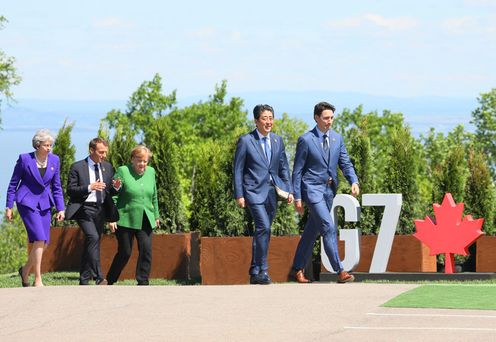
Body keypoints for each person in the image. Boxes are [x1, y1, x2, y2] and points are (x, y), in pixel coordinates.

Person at [291, 101, 360, 283]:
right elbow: (297, 171)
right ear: (316, 118)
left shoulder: (337, 138)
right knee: (328, 227)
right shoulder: (306, 140)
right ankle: (340, 271)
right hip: (312, 190)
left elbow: (345, 162)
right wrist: (298, 197)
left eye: (331, 118)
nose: (329, 121)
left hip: (329, 192)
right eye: (326, 118)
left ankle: (298, 269)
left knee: (311, 232)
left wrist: (353, 180)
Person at [234, 104, 294, 285]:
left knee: (264, 232)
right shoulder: (246, 141)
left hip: (272, 192)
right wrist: (239, 194)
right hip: (253, 191)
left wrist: (289, 190)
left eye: (271, 118)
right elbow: (238, 169)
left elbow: (283, 167)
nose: (268, 122)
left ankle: (255, 270)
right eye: (264, 118)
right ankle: (264, 270)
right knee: (264, 228)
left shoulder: (277, 141)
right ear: (256, 121)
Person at [5, 129, 65, 287]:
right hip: (27, 202)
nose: (49, 148)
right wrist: (9, 206)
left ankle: (25, 271)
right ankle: (38, 278)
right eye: (46, 145)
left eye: (51, 145)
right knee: (39, 238)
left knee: (44, 243)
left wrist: (61, 208)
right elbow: (13, 184)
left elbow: (56, 186)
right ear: (37, 145)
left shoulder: (54, 160)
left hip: (45, 203)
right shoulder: (25, 159)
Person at [65, 137, 118, 285]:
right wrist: (90, 187)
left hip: (100, 209)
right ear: (91, 150)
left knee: (92, 242)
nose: (104, 155)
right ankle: (99, 276)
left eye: (105, 152)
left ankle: (84, 279)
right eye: (101, 152)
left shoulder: (107, 167)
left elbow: (110, 191)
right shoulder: (77, 167)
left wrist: (117, 187)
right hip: (83, 209)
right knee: (93, 237)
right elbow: (70, 190)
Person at [106, 145, 160, 286]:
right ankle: (110, 280)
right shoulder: (122, 171)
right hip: (125, 218)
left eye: (145, 161)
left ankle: (143, 281)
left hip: (146, 217)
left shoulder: (151, 172)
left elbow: (154, 195)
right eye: (139, 160)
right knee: (125, 252)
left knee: (146, 250)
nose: (142, 164)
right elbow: (113, 196)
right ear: (132, 159)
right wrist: (112, 218)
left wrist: (156, 215)